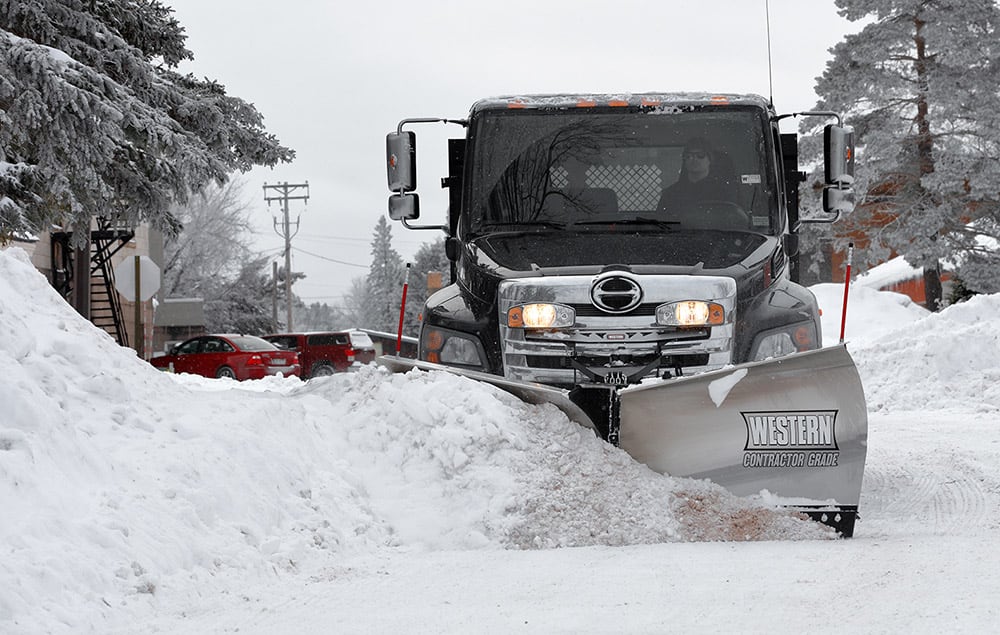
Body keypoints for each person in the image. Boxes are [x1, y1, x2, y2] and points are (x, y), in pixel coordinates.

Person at [658, 138, 738, 211]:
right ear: (684, 161)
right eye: (689, 156)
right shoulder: (671, 194)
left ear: (710, 160)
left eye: (700, 155)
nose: (694, 159)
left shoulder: (723, 193)